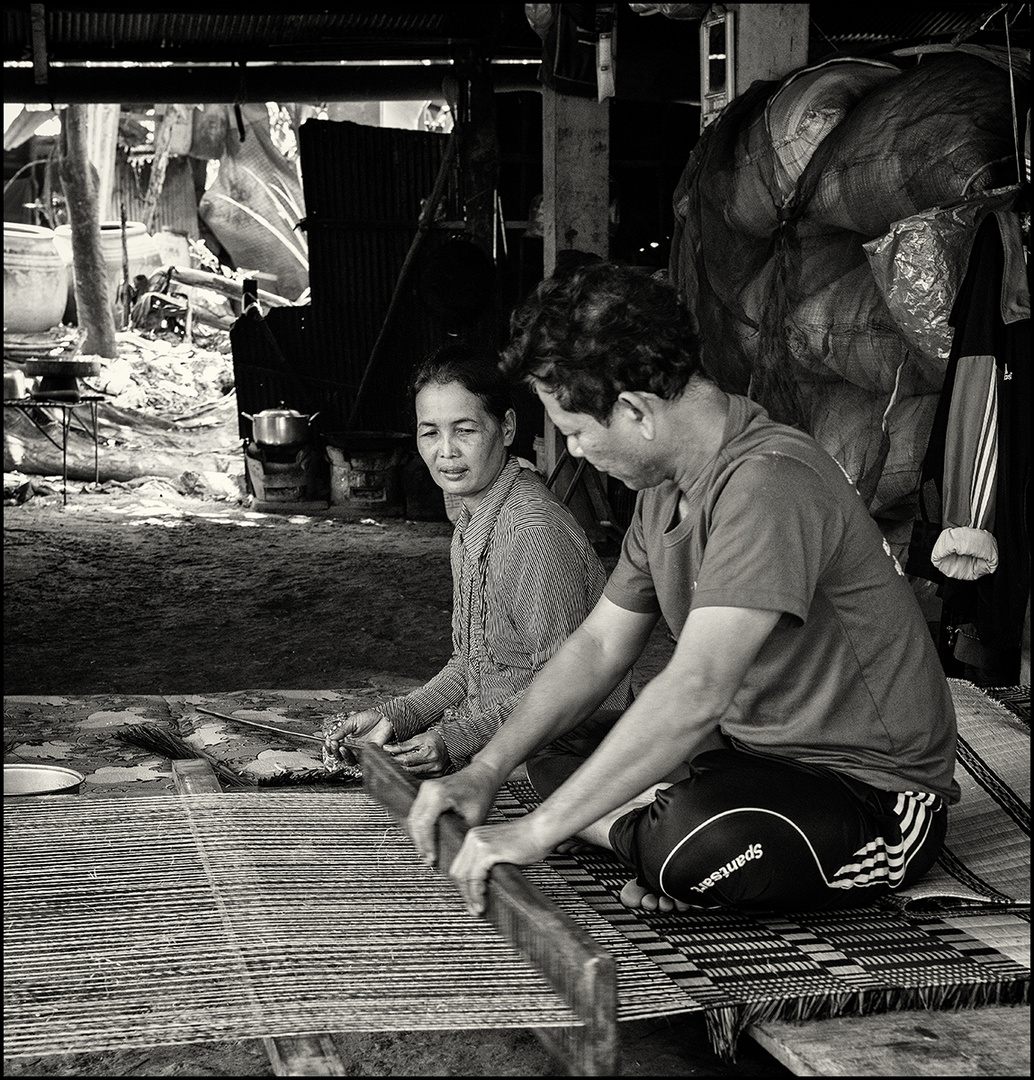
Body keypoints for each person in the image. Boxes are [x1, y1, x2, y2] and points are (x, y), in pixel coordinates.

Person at [407, 261, 959, 917]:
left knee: (699, 836)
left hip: (870, 795)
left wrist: (535, 830)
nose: (576, 453)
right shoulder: (664, 487)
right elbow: (598, 646)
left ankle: (665, 846)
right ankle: (655, 839)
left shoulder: (769, 483)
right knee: (556, 746)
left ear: (636, 410)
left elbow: (696, 690)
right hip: (746, 757)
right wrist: (486, 771)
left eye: (578, 431)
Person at [325, 342, 631, 778]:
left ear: (505, 428)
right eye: (429, 432)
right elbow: (474, 664)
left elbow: (564, 692)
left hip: (564, 757)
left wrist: (455, 740)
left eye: (464, 430)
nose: (445, 451)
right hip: (505, 743)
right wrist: (398, 717)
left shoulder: (531, 534)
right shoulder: (472, 519)